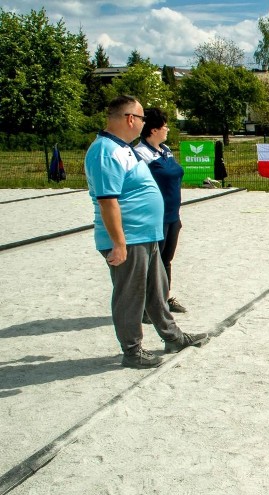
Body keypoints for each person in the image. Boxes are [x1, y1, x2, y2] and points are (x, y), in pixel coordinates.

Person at [85, 95, 208, 369]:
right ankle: (132, 351)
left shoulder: (122, 147)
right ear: (131, 118)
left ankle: (173, 336)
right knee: (130, 295)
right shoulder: (106, 151)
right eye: (141, 118)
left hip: (144, 234)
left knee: (156, 289)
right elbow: (107, 201)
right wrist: (119, 243)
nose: (143, 124)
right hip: (129, 237)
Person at [134, 107, 187, 315]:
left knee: (166, 260)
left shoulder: (165, 150)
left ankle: (164, 298)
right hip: (154, 217)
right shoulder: (140, 154)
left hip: (173, 215)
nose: (167, 129)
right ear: (153, 130)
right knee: (151, 264)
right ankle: (147, 306)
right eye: (165, 126)